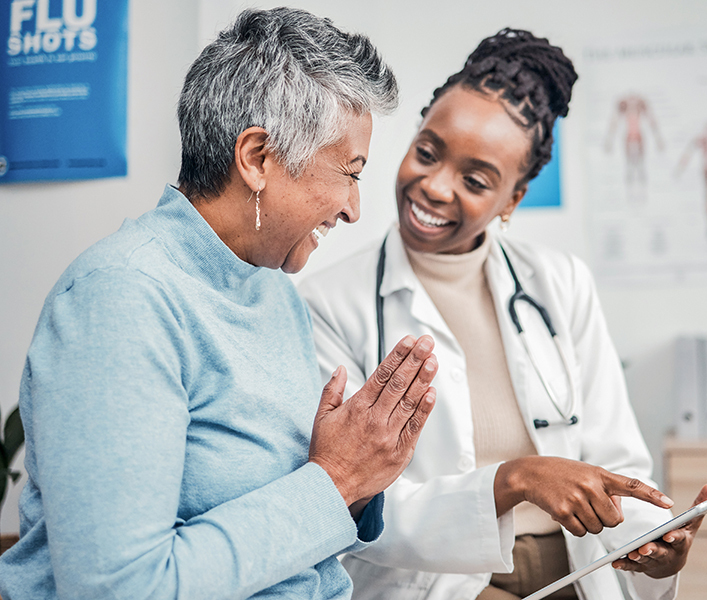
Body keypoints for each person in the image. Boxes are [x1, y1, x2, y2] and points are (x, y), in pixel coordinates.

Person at [0, 8, 439, 600]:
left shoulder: (273, 290)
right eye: (349, 173)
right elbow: (120, 588)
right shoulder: (121, 299)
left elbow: (287, 526)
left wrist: (359, 477)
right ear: (257, 158)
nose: (353, 208)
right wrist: (335, 481)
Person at [299, 29, 707, 600]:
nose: (434, 186)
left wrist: (651, 540)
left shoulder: (560, 283)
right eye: (427, 152)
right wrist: (512, 480)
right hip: (439, 585)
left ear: (512, 199)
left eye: (474, 180)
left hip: (580, 571)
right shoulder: (327, 303)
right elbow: (351, 501)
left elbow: (615, 458)